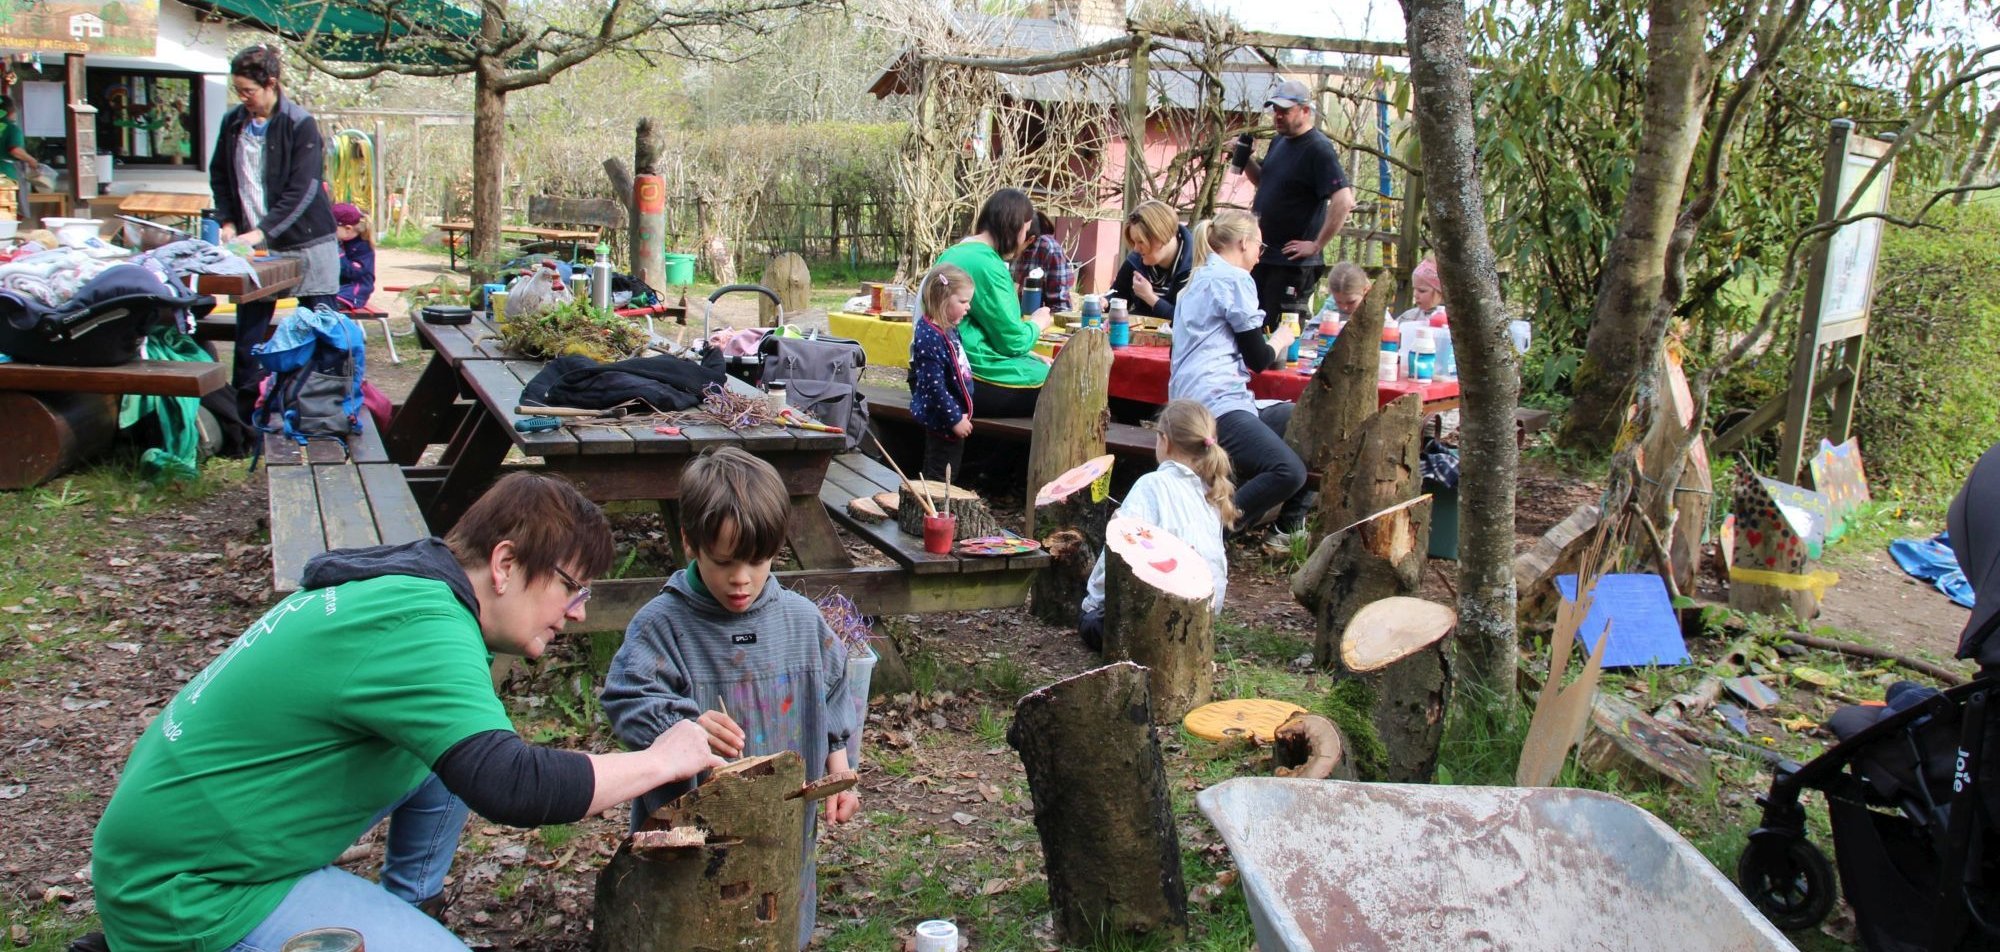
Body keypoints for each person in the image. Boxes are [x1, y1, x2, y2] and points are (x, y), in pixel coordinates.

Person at [88, 472, 725, 952]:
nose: (580, 610)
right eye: (571, 586)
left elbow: (473, 758)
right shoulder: (421, 627)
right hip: (193, 892)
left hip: (186, 848)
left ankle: (411, 907)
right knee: (476, 756)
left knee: (448, 749)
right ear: (505, 564)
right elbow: (512, 786)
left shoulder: (414, 595)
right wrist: (658, 758)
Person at [602, 447, 859, 951]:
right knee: (691, 924)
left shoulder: (803, 622)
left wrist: (841, 768)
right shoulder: (664, 625)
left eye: (757, 561)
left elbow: (834, 694)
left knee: (776, 912)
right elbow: (628, 697)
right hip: (693, 834)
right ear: (690, 543)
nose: (741, 579)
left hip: (782, 828)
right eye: (723, 563)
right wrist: (684, 722)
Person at [209, 43, 342, 425]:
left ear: (271, 84)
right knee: (250, 335)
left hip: (308, 242)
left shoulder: (300, 123)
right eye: (238, 91)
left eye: (249, 91)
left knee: (321, 331)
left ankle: (321, 415)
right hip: (257, 250)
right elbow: (220, 175)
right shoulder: (234, 123)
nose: (244, 99)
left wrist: (260, 232)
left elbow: (302, 190)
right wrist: (228, 220)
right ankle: (244, 426)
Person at [1168, 209, 1309, 550]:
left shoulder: (1198, 277)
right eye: (1260, 247)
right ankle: (1211, 532)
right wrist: (1283, 337)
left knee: (1303, 419)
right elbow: (1259, 359)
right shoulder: (1233, 279)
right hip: (1215, 404)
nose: (1260, 257)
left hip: (1193, 402)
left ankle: (1289, 529)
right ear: (1244, 243)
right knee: (1289, 472)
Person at [1077, 399, 1235, 649]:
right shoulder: (1211, 494)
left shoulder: (1151, 485)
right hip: (1200, 624)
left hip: (1153, 622)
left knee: (1088, 617)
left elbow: (1117, 558)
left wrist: (1091, 604)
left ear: (1165, 440)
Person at [1235, 79, 1357, 331]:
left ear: (1305, 110)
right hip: (1264, 256)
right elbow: (1264, 181)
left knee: (1279, 333)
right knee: (1254, 327)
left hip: (1292, 264)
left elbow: (1343, 200)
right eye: (1275, 111)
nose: (1278, 117)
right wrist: (1246, 159)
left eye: (1285, 111)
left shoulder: (1318, 149)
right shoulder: (1279, 141)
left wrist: (1316, 244)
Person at [934, 188, 1054, 418]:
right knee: (1062, 382)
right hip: (966, 378)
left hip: (941, 370)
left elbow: (983, 330)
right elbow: (1012, 341)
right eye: (1026, 231)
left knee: (1042, 366)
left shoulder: (955, 252)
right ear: (1016, 226)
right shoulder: (987, 264)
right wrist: (1038, 323)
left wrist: (1030, 356)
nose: (1025, 241)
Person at [909, 263, 976, 480]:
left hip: (952, 416)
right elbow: (934, 386)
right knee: (941, 475)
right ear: (943, 299)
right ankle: (936, 511)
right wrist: (955, 419)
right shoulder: (930, 337)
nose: (968, 308)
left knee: (943, 469)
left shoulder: (947, 328)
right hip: (944, 421)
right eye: (963, 302)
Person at [1110, 200, 1196, 321]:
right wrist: (1105, 302)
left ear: (1161, 236)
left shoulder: (1197, 268)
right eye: (1134, 242)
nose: (1136, 249)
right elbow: (1117, 296)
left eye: (1141, 242)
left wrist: (1150, 298)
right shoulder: (1135, 261)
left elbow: (1188, 321)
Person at [1011, 210, 1075, 313]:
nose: (1008, 243)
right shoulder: (1004, 249)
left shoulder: (1049, 249)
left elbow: (1060, 306)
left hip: (1041, 322)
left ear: (1030, 240)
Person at [0, 95, 39, 223]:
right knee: (9, 210)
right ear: (11, 111)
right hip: (6, 174)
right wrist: (31, 159)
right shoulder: (11, 129)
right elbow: (15, 150)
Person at [333, 202, 376, 311]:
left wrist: (339, 254)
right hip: (338, 287)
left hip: (355, 291)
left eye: (332, 229)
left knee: (327, 307)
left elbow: (354, 272)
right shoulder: (343, 241)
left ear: (348, 228)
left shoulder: (363, 246)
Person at [1397, 257, 1446, 325]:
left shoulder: (1453, 322)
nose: (1415, 295)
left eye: (1422, 291)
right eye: (1414, 289)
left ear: (1441, 293)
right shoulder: (1407, 318)